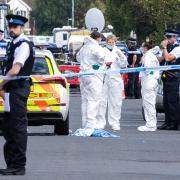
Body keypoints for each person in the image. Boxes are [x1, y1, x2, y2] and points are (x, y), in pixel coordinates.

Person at [0, 14, 34, 175]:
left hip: (18, 89)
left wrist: (1, 84)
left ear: (22, 28)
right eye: (10, 27)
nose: (11, 29)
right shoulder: (12, 44)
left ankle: (18, 166)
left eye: (15, 27)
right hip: (10, 90)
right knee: (8, 127)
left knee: (18, 128)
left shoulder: (23, 45)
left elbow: (15, 70)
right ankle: (11, 164)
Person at [76, 31, 107, 131]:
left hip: (83, 75)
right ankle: (90, 124)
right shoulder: (96, 47)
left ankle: (85, 123)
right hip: (93, 76)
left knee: (85, 100)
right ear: (98, 38)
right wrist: (99, 64)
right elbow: (102, 58)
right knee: (94, 99)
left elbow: (78, 58)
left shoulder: (84, 47)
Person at [96, 35, 128, 131]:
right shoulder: (102, 51)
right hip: (104, 78)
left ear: (115, 42)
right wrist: (105, 65)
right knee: (102, 101)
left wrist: (122, 57)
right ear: (106, 43)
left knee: (116, 102)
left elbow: (124, 65)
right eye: (109, 42)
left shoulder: (118, 51)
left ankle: (115, 122)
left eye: (112, 42)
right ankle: (100, 122)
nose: (111, 44)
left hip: (115, 79)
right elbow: (98, 63)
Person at [157, 30, 180, 130]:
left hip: (174, 76)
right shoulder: (168, 48)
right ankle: (168, 121)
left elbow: (168, 59)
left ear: (174, 38)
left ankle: (174, 123)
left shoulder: (178, 48)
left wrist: (165, 48)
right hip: (166, 76)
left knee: (172, 101)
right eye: (166, 37)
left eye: (169, 37)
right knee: (166, 101)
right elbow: (161, 59)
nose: (167, 40)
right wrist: (164, 50)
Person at [137, 41, 160, 131]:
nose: (141, 49)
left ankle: (150, 125)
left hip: (149, 81)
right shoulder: (151, 55)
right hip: (151, 80)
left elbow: (146, 68)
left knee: (148, 103)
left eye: (142, 47)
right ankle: (151, 123)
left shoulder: (148, 56)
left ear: (145, 48)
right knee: (149, 103)